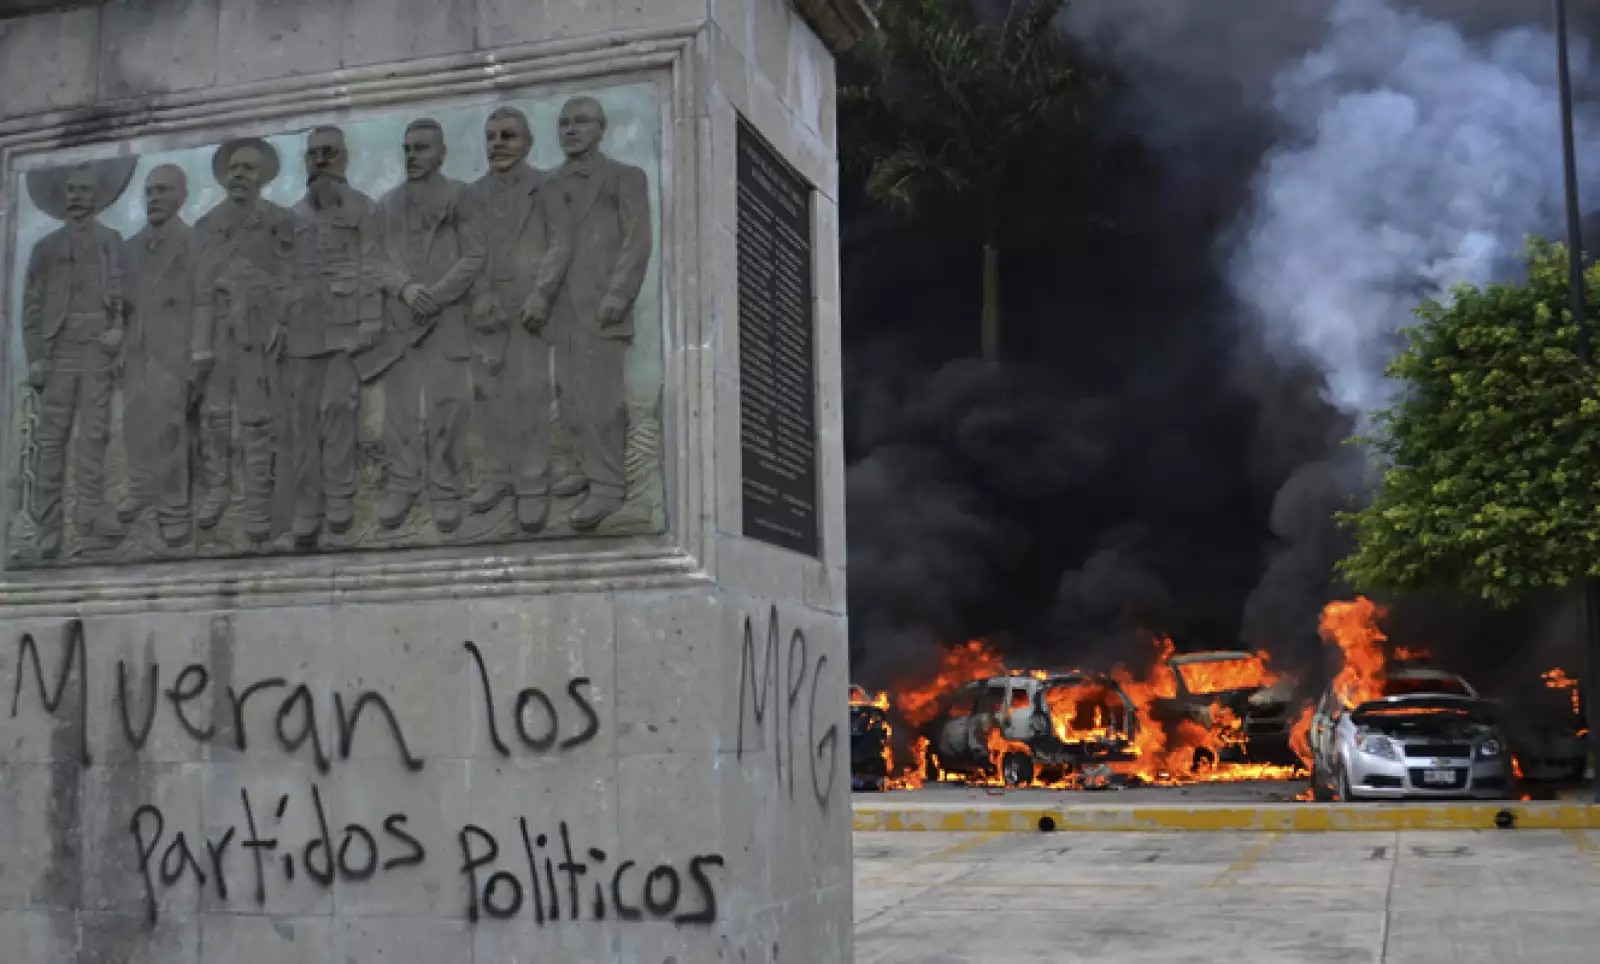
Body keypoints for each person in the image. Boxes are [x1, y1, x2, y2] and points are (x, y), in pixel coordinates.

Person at [369, 118, 485, 533]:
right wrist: (404, 288)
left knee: (448, 407)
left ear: (441, 153)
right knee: (399, 411)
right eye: (408, 148)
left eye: (421, 148)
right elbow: (375, 260)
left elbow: (474, 256)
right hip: (400, 323)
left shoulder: (461, 197)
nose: (413, 155)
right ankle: (402, 486)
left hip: (447, 319)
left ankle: (446, 489)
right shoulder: (387, 204)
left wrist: (435, 294)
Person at [546, 96, 652, 529]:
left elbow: (637, 240)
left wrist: (620, 293)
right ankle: (582, 467)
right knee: (569, 395)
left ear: (601, 128)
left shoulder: (626, 178)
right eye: (564, 123)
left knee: (602, 400)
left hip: (604, 307)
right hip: (562, 310)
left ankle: (607, 488)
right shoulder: (550, 184)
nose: (571, 129)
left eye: (581, 122)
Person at [464, 106, 572, 532]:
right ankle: (497, 476)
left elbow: (561, 243)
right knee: (489, 396)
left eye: (507, 136)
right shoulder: (472, 195)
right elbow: (467, 251)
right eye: (491, 137)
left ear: (527, 143)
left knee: (528, 394)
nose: (498, 145)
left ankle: (530, 487)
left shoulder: (547, 187)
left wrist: (542, 294)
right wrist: (478, 295)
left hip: (530, 309)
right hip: (488, 310)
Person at [192, 138, 297, 542]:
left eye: (248, 169)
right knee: (214, 417)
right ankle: (219, 488)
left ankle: (257, 503)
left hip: (260, 334)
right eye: (233, 168)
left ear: (263, 177)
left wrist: (282, 324)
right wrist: (200, 346)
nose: (239, 174)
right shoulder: (206, 226)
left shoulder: (279, 221)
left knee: (256, 420)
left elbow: (293, 278)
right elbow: (199, 289)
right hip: (217, 337)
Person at [21, 164, 126, 557]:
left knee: (95, 435)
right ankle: (48, 527)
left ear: (97, 197)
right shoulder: (45, 248)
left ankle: (91, 514)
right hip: (59, 350)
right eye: (71, 190)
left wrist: (119, 332)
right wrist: (35, 358)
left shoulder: (111, 241)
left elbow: (125, 299)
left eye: (85, 190)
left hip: (98, 349)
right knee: (52, 441)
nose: (77, 196)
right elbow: (31, 307)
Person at [287, 126, 382, 545]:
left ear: (344, 159)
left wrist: (370, 320)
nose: (320, 160)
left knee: (339, 411)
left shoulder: (364, 209)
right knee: (303, 421)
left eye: (329, 152)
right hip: (303, 333)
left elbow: (373, 265)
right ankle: (309, 505)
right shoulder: (292, 217)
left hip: (346, 330)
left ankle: (341, 496)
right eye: (313, 154)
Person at [118, 164, 197, 547]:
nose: (154, 198)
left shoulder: (194, 243)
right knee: (134, 423)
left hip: (173, 353)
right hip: (135, 353)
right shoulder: (129, 248)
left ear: (181, 197)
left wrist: (199, 352)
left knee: (170, 431)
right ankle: (141, 489)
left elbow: (203, 303)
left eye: (163, 191)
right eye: (149, 192)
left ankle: (174, 510)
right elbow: (119, 303)